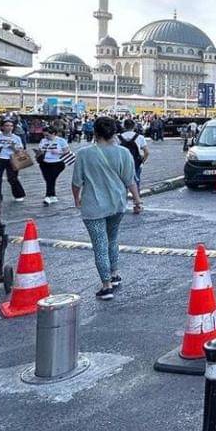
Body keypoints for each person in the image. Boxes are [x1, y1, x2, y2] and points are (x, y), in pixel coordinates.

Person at [71, 115, 141, 300]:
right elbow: (130, 180)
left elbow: (76, 181)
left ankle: (106, 285)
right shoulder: (124, 153)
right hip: (117, 204)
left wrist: (76, 199)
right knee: (112, 239)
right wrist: (137, 201)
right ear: (114, 132)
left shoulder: (84, 154)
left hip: (93, 207)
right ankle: (115, 274)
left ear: (94, 132)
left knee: (100, 245)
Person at [0, 118, 26, 202]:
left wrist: (13, 147)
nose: (9, 127)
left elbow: (20, 151)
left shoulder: (17, 138)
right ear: (2, 127)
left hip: (11, 160)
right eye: (7, 125)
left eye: (11, 126)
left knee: (12, 178)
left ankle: (19, 194)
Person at [36, 124, 72, 204]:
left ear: (53, 133)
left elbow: (67, 151)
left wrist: (58, 152)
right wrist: (39, 153)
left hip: (57, 163)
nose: (46, 137)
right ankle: (52, 196)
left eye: (47, 135)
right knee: (48, 179)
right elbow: (40, 149)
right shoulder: (43, 141)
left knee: (51, 179)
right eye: (44, 135)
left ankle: (48, 196)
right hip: (44, 163)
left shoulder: (61, 140)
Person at [119, 118, 149, 187]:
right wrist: (142, 162)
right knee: (136, 182)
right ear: (134, 126)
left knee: (121, 183)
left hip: (122, 163)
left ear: (123, 126)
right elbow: (147, 152)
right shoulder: (140, 137)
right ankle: (136, 196)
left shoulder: (118, 138)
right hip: (135, 163)